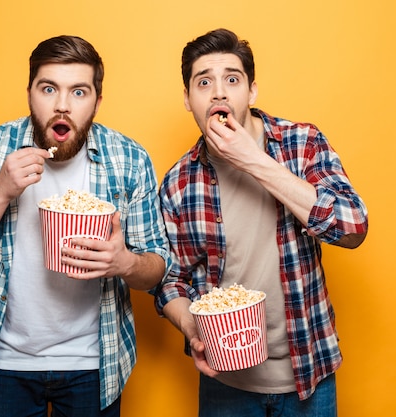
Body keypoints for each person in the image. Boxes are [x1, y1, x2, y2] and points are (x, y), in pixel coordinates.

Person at [0, 35, 170, 417]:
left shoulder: (129, 159)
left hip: (97, 363)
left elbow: (157, 267)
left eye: (78, 91)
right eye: (48, 89)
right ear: (29, 93)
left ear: (97, 101)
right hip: (8, 364)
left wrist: (124, 263)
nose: (62, 105)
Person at [154, 28, 368, 417]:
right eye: (204, 82)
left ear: (251, 92)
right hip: (226, 381)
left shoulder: (302, 143)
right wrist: (191, 327)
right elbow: (171, 280)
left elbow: (353, 227)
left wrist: (252, 160)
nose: (219, 92)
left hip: (309, 372)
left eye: (232, 80)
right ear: (188, 99)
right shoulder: (178, 183)